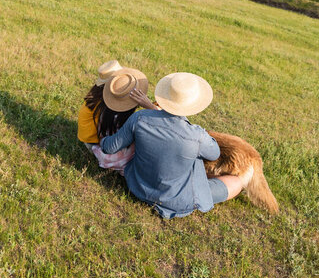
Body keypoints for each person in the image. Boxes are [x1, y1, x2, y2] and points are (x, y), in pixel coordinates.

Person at [100, 71, 244, 219]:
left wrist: (100, 139)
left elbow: (109, 147)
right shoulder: (196, 135)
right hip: (178, 201)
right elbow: (214, 153)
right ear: (194, 104)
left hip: (138, 187)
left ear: (165, 96)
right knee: (237, 182)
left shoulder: (139, 118)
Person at [78, 61, 148, 173]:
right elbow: (116, 138)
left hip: (90, 138)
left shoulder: (97, 95)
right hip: (95, 144)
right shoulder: (109, 107)